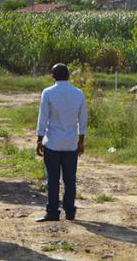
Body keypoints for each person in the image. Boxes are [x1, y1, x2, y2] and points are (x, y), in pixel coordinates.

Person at [35, 63, 87, 222]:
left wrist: (39, 138)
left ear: (53, 76)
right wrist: (81, 141)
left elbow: (43, 117)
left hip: (52, 142)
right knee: (70, 179)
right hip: (71, 143)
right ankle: (70, 211)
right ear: (68, 75)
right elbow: (83, 119)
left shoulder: (48, 93)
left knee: (52, 179)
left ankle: (52, 212)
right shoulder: (79, 93)